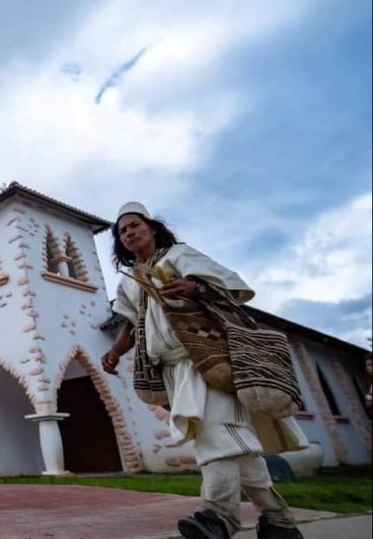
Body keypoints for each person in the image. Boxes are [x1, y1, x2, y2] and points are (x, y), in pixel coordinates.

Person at [101, 202, 307, 539]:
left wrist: (195, 288)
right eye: (122, 231)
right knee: (231, 441)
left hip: (208, 359)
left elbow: (234, 289)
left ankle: (219, 518)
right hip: (172, 369)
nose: (128, 233)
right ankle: (280, 522)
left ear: (152, 228)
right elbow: (133, 323)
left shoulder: (178, 256)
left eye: (134, 225)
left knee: (215, 437)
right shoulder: (130, 283)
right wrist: (115, 351)